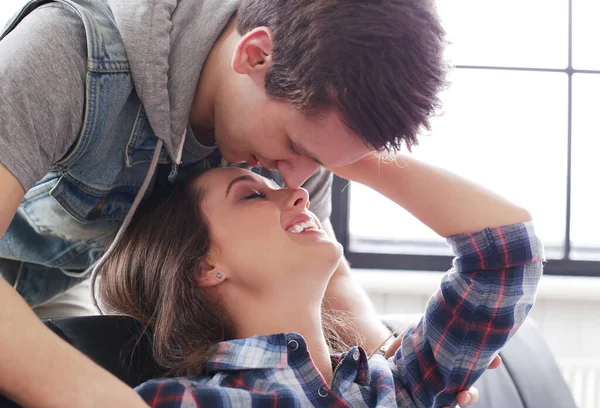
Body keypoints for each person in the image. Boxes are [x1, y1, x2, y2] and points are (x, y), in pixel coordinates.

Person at [0, 0, 489, 406]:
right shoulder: (64, 55)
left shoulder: (290, 143)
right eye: (298, 147)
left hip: (62, 284)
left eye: (325, 162)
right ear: (255, 56)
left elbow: (332, 276)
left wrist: (385, 358)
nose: (297, 181)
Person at [96, 152, 543, 407]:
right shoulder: (180, 403)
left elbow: (506, 250)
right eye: (252, 195)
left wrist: (353, 156)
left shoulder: (393, 386)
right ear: (205, 267)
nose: (298, 191)